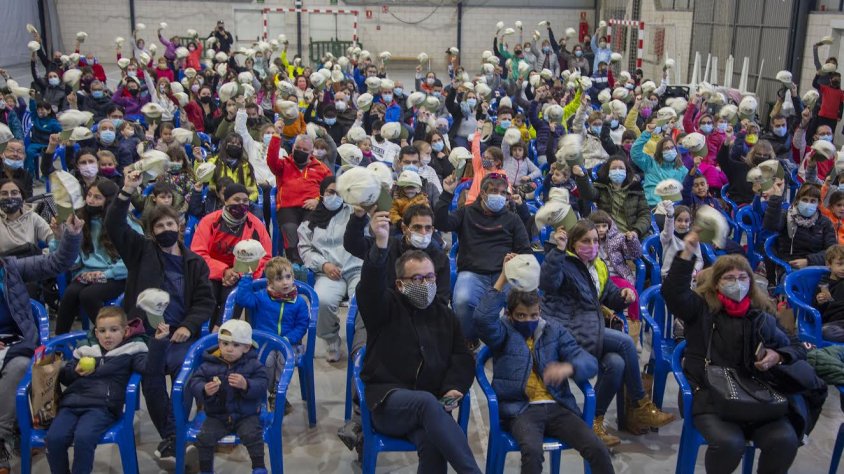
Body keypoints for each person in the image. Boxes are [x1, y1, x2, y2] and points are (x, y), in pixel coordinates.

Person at [663, 235, 818, 474]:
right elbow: (673, 293)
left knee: (784, 440)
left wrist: (779, 356)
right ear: (716, 283)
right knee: (729, 444)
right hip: (710, 397)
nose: (737, 283)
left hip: (758, 394)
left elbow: (796, 346)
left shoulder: (761, 311)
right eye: (729, 278)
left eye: (743, 277)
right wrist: (686, 254)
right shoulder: (700, 308)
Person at [356, 211, 480, 473]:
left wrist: (454, 387)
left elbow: (462, 356)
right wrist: (379, 247)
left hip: (430, 408)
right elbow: (368, 289)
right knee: (426, 403)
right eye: (418, 279)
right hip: (389, 404)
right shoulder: (385, 307)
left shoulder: (444, 315)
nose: (426, 284)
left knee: (434, 442)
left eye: (430, 277)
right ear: (400, 284)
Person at [106, 170, 216, 460]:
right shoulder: (141, 252)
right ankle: (174, 436)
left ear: (179, 227)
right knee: (150, 376)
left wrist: (190, 326)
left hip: (179, 334)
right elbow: (114, 225)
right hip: (147, 336)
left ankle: (174, 436)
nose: (165, 228)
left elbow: (205, 302)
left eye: (170, 223)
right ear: (151, 231)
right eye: (159, 225)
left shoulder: (195, 263)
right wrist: (126, 190)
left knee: (185, 375)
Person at [539, 220, 675, 446]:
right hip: (568, 332)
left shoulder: (598, 265)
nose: (592, 245)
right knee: (624, 343)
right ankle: (640, 404)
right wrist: (558, 250)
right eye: (585, 241)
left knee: (616, 364)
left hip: (590, 329)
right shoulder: (564, 263)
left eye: (595, 240)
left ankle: (593, 422)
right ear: (573, 243)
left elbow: (609, 294)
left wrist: (623, 295)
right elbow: (547, 282)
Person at [474, 262, 614, 474]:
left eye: (533, 315)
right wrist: (503, 276)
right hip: (521, 410)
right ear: (510, 315)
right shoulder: (502, 332)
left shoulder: (553, 330)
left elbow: (589, 362)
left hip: (558, 406)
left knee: (597, 448)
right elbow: (482, 319)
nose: (528, 320)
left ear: (540, 311)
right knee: (532, 452)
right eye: (521, 315)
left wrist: (568, 368)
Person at [0, 213, 83, 473]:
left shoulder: (10, 267)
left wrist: (69, 236)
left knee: (21, 365)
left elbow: (58, 263)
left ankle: (1, 438)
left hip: (16, 341)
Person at [45, 307, 169, 474]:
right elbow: (66, 378)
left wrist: (158, 342)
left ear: (125, 331)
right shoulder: (85, 350)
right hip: (71, 404)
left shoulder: (132, 350)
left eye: (113, 330)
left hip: (102, 407)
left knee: (84, 437)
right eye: (102, 331)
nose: (107, 335)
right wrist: (74, 371)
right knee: (54, 438)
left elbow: (151, 369)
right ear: (96, 333)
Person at [436, 173, 531, 345]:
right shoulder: (466, 212)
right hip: (473, 272)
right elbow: (441, 224)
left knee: (526, 301)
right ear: (483, 193)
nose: (499, 196)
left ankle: (513, 344)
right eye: (494, 191)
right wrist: (447, 194)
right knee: (462, 300)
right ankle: (470, 340)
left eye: (503, 193)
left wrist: (518, 258)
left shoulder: (512, 219)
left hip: (505, 274)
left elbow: (525, 251)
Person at [54, 179, 140, 334]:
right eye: (89, 195)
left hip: (118, 274)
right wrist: (60, 238)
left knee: (88, 295)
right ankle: (58, 348)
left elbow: (136, 257)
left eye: (97, 197)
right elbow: (73, 261)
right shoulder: (80, 219)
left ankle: (114, 337)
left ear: (109, 201)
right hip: (87, 273)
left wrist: (105, 274)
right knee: (70, 293)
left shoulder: (124, 221)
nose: (91, 201)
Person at [189, 319, 269, 474]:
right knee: (204, 438)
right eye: (224, 344)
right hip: (216, 415)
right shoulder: (208, 365)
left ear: (246, 347)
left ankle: (259, 467)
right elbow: (194, 381)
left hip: (246, 414)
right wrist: (204, 389)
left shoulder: (253, 365)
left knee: (252, 435)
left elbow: (262, 383)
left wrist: (246, 385)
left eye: (235, 345)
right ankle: (206, 470)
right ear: (219, 344)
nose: (229, 349)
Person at [297, 176, 362, 362]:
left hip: (356, 267)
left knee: (362, 299)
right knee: (322, 300)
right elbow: (305, 249)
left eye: (339, 193)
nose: (335, 196)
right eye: (330, 192)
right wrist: (323, 265)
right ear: (322, 194)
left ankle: (360, 341)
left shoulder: (354, 213)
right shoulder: (310, 220)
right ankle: (332, 340)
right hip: (328, 271)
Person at [191, 183, 272, 327]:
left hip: (240, 275)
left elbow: (265, 257)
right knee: (208, 292)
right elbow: (198, 253)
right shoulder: (209, 221)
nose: (241, 203)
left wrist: (240, 273)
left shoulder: (256, 225)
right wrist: (223, 271)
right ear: (225, 200)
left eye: (245, 200)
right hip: (211, 272)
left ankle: (220, 332)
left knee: (234, 295)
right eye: (236, 199)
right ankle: (203, 331)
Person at [267, 133, 332, 264]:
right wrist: (276, 136)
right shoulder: (283, 164)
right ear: (293, 148)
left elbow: (331, 189)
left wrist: (318, 200)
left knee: (307, 230)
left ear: (311, 152)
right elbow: (271, 160)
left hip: (311, 207)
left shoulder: (322, 168)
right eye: (298, 148)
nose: (300, 151)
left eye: (305, 150)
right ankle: (295, 264)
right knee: (290, 229)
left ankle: (311, 262)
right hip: (287, 207)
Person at [589, 210, 644, 346]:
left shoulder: (618, 238)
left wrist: (632, 241)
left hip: (617, 275)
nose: (601, 230)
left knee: (633, 294)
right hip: (596, 277)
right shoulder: (588, 240)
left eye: (604, 226)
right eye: (597, 226)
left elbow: (635, 254)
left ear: (609, 226)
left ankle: (633, 334)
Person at [763, 182, 836, 271]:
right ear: (797, 201)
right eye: (805, 200)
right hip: (790, 265)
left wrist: (808, 261)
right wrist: (776, 198)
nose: (808, 204)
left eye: (813, 201)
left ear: (818, 203)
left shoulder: (825, 222)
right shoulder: (786, 216)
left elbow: (831, 251)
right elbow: (770, 225)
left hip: (817, 267)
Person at [573, 156, 651, 238]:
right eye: (614, 168)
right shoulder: (601, 188)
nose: (617, 171)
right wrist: (582, 177)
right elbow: (587, 194)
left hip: (631, 235)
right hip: (607, 236)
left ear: (626, 172)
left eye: (621, 168)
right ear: (608, 172)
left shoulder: (637, 190)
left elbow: (645, 215)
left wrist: (636, 231)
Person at [631, 124, 689, 207]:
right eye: (666, 148)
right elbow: (635, 153)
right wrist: (647, 133)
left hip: (674, 209)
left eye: (672, 148)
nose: (670, 150)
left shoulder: (683, 170)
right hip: (653, 207)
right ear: (660, 151)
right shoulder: (650, 164)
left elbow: (687, 190)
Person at [0, 178, 52, 256]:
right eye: (4, 193)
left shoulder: (32, 217)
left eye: (14, 193)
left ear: (22, 197)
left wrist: (41, 255)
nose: (9, 197)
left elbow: (53, 240)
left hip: (31, 265)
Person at [814, 245, 844, 342]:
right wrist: (821, 302)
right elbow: (815, 310)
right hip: (833, 323)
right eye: (840, 264)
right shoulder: (823, 285)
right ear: (829, 264)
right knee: (825, 332)